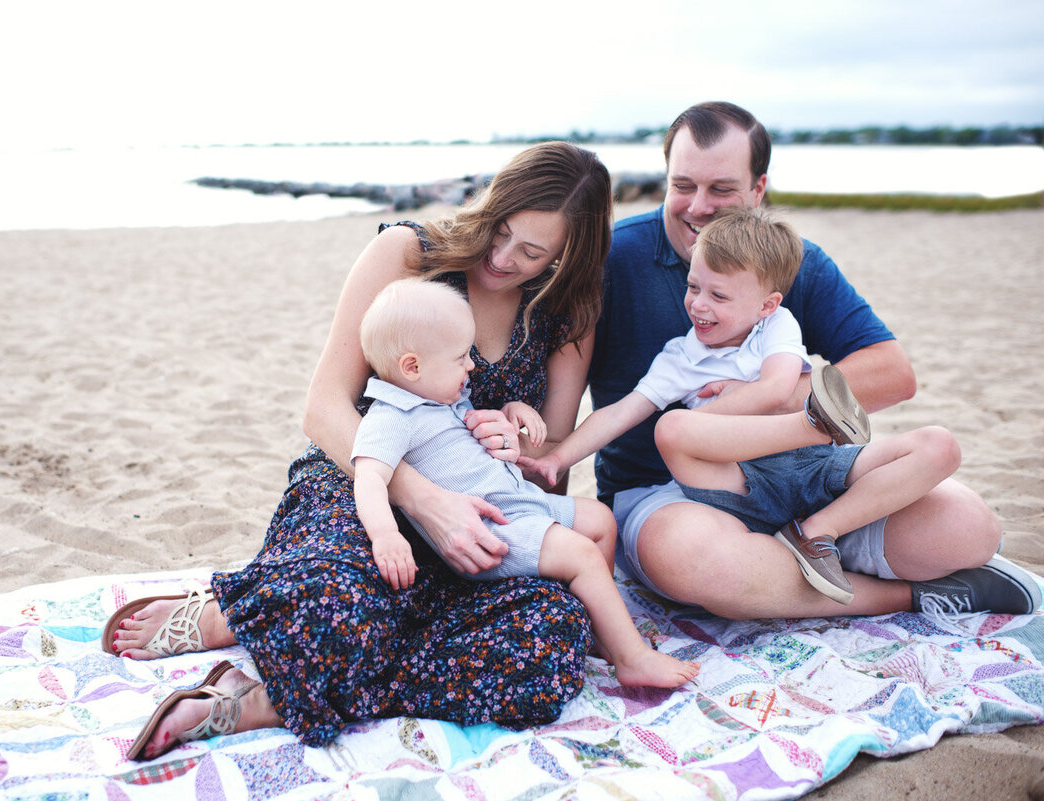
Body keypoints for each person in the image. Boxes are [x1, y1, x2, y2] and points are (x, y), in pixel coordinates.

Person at [101, 141, 621, 761]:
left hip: (485, 510)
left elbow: (550, 470)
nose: (501, 258)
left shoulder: (565, 313)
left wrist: (522, 442)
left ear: (565, 257)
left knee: (547, 648)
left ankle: (267, 690)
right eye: (499, 230)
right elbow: (323, 409)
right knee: (341, 606)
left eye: (532, 252)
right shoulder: (409, 254)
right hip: (358, 478)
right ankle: (229, 615)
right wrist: (424, 502)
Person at [587, 101, 1041, 623]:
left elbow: (893, 373)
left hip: (801, 480)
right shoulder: (615, 258)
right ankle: (905, 597)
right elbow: (565, 390)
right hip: (669, 494)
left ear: (758, 190)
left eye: (722, 189)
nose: (698, 206)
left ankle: (798, 552)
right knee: (699, 560)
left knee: (969, 527)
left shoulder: (795, 260)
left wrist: (771, 395)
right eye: (683, 185)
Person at [525, 206, 964, 605]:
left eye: (718, 296)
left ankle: (815, 533)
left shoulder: (776, 327)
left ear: (767, 305)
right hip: (733, 483)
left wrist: (726, 404)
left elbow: (776, 387)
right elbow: (621, 412)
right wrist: (559, 458)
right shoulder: (682, 356)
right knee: (674, 428)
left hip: (808, 467)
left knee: (939, 447)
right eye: (693, 287)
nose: (698, 305)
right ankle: (820, 423)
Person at [351, 277, 698, 687]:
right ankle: (631, 657)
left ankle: (600, 628)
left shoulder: (440, 397)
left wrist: (514, 409)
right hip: (494, 529)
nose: (471, 366)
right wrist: (386, 536)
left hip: (524, 503)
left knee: (601, 519)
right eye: (461, 357)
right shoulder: (391, 416)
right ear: (412, 366)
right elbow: (369, 477)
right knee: (582, 554)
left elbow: (480, 427)